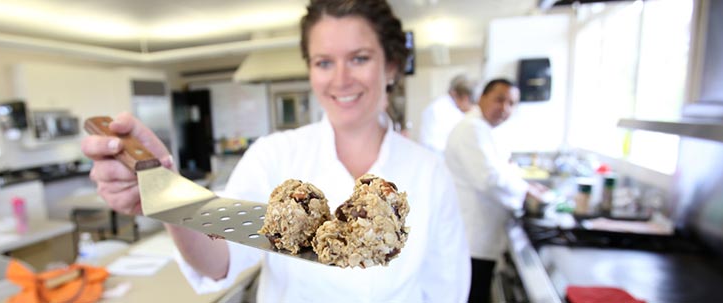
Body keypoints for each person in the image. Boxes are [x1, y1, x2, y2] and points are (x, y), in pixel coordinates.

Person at [81, 0, 469, 301]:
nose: (340, 79)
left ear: (391, 67)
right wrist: (165, 192)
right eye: (323, 62)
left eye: (360, 58)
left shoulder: (429, 172)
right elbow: (222, 261)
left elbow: (446, 291)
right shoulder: (274, 156)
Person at [444, 79, 547, 303]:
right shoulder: (471, 129)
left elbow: (502, 170)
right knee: (472, 295)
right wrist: (526, 191)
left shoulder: (483, 129)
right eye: (499, 99)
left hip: (481, 235)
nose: (505, 108)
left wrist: (524, 186)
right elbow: (488, 179)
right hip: (473, 238)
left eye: (512, 103)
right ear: (482, 97)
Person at [419, 74, 474, 156]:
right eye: (466, 99)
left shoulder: (446, 106)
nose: (467, 104)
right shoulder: (443, 108)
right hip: (436, 156)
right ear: (454, 93)